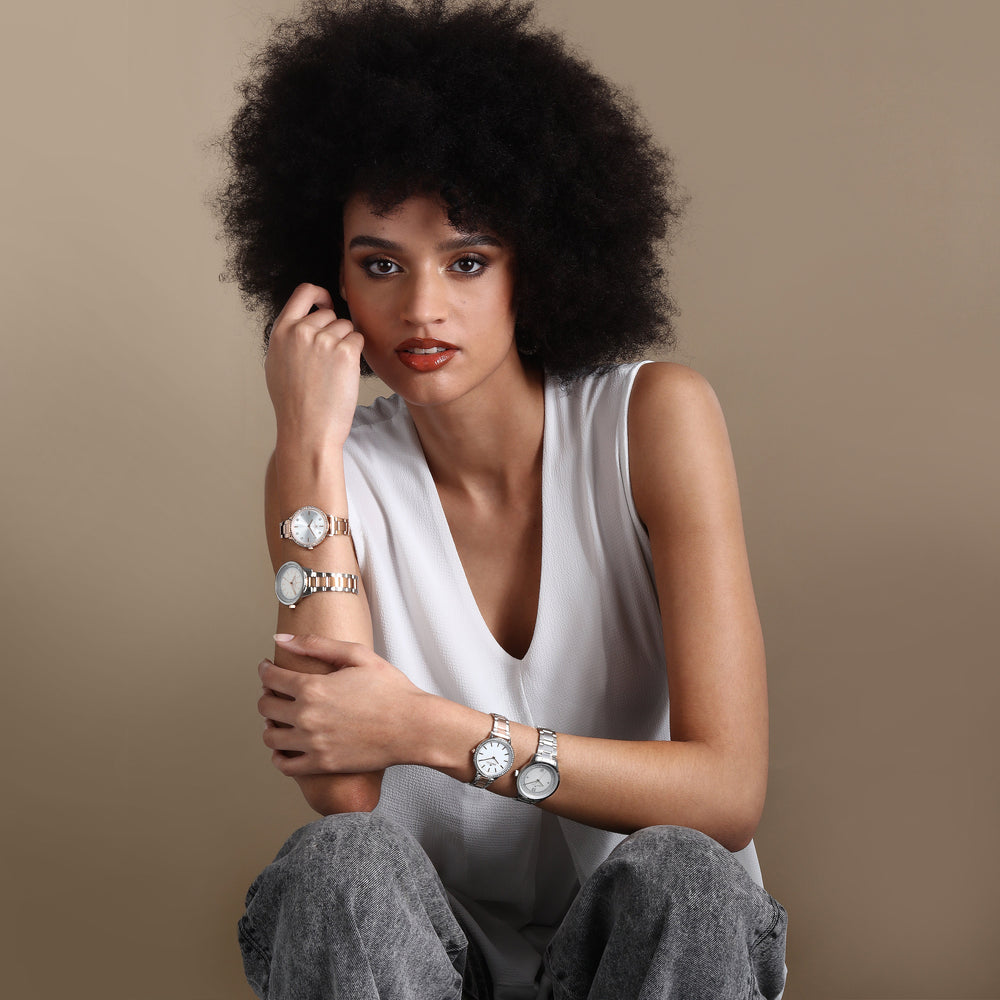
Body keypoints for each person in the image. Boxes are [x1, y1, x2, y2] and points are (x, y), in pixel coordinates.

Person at [216, 1, 788, 997]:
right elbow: (343, 785)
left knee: (687, 875)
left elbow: (727, 794)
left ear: (541, 263)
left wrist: (428, 729)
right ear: (329, 281)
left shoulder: (654, 419)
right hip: (427, 961)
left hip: (645, 952)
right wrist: (305, 441)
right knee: (337, 866)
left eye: (468, 261)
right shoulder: (328, 469)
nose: (420, 308)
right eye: (379, 264)